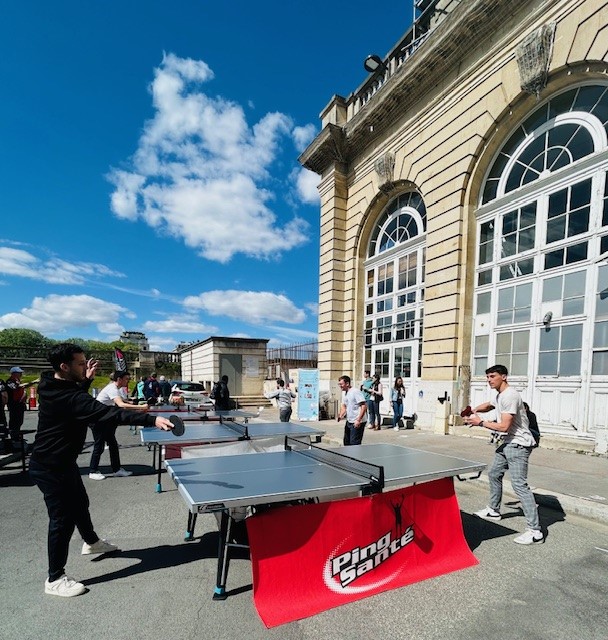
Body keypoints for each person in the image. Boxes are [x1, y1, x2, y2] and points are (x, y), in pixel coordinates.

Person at [29, 343, 173, 598]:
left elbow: (73, 396)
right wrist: (151, 420)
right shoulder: (69, 396)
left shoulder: (50, 383)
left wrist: (84, 381)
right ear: (64, 367)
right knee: (61, 520)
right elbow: (108, 413)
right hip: (50, 466)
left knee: (80, 503)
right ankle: (54, 578)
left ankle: (92, 543)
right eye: (81, 364)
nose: (86, 366)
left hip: (62, 462)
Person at [464, 364, 543, 546]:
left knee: (519, 485)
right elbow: (489, 405)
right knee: (494, 474)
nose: (489, 380)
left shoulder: (510, 396)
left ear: (504, 376)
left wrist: (480, 423)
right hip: (507, 443)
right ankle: (493, 509)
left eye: (492, 376)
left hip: (518, 444)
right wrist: (474, 411)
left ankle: (535, 531)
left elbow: (504, 426)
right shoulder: (500, 395)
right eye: (488, 377)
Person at [89, 370, 148, 480]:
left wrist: (132, 402)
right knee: (99, 446)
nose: (128, 381)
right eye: (126, 379)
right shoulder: (112, 388)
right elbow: (121, 404)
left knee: (113, 445)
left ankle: (116, 470)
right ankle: (93, 471)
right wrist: (141, 407)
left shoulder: (116, 388)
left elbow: (122, 401)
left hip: (106, 419)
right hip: (97, 420)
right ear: (119, 379)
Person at [5, 366, 39, 451]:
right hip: (14, 404)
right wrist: (33, 382)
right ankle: (14, 437)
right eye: (19, 373)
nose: (21, 374)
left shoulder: (17, 381)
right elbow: (18, 387)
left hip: (20, 404)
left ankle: (17, 435)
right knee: (14, 420)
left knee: (19, 420)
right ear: (13, 373)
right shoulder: (10, 381)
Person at [337, 375, 367, 446]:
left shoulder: (355, 391)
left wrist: (358, 420)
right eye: (339, 384)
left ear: (347, 384)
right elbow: (344, 406)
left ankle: (355, 457)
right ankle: (347, 457)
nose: (340, 386)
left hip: (357, 421)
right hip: (349, 421)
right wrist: (340, 415)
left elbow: (363, 406)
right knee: (346, 442)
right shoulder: (345, 393)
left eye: (341, 384)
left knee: (354, 444)